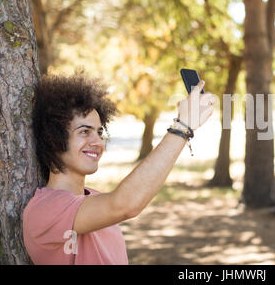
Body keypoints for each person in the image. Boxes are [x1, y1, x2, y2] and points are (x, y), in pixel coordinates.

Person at [22, 73, 215, 265]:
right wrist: (182, 127)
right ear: (53, 138)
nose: (97, 141)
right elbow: (125, 205)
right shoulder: (45, 209)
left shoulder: (96, 200)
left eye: (99, 132)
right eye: (84, 132)